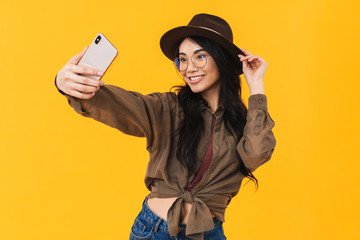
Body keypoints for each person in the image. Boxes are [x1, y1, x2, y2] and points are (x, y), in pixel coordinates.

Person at [55, 13, 276, 240]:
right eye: (183, 59)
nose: (189, 68)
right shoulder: (168, 108)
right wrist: (67, 84)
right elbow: (119, 104)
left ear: (222, 60)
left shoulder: (245, 122)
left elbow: (256, 154)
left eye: (200, 57)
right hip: (155, 231)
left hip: (207, 233)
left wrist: (256, 85)